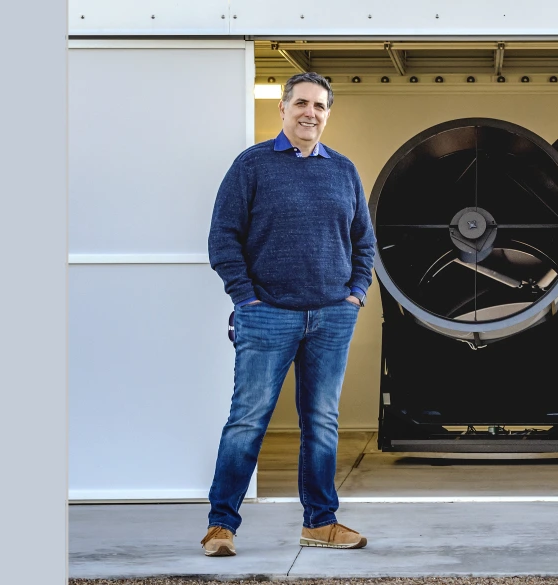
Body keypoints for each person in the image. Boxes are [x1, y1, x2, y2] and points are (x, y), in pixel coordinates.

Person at [200, 72, 376, 556]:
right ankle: (221, 526)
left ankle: (320, 522)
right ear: (282, 109)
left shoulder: (343, 170)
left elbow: (365, 242)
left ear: (327, 114)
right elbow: (223, 238)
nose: (310, 114)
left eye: (320, 107)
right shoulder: (252, 165)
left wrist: (355, 293)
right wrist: (246, 297)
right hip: (267, 315)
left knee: (321, 421)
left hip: (331, 317)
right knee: (247, 420)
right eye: (301, 103)